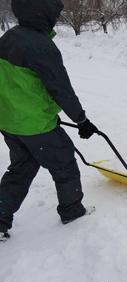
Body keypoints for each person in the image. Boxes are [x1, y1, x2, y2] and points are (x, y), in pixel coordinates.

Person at [0, 0, 98, 241]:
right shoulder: (39, 45)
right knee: (64, 165)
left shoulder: (9, 37)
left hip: (10, 122)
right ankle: (72, 211)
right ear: (42, 13)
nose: (55, 18)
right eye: (54, 13)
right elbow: (60, 87)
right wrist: (81, 119)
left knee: (21, 169)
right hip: (36, 124)